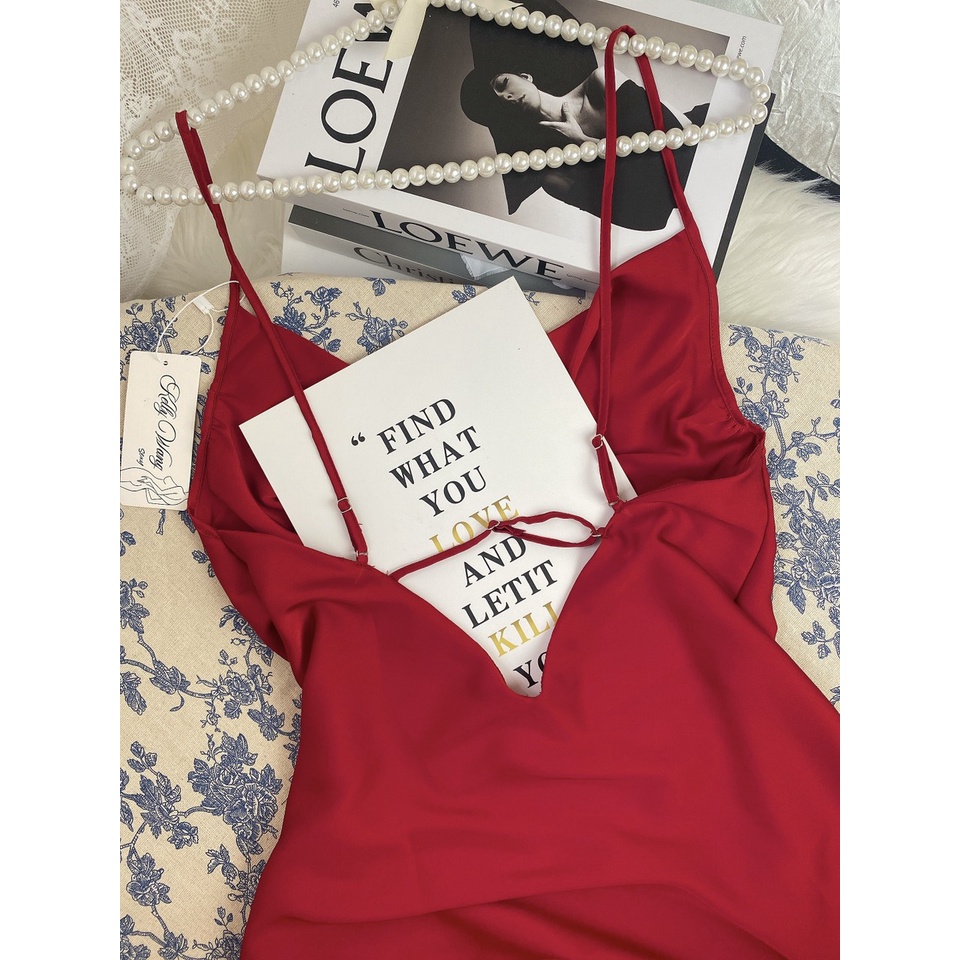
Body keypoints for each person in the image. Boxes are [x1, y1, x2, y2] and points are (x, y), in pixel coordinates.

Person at [461, 59, 709, 232]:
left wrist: (584, 141)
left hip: (706, 138)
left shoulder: (600, 82)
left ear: (524, 76)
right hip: (697, 198)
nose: (506, 97)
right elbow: (652, 218)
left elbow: (677, 140)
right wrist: (584, 144)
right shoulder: (554, 177)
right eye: (496, 104)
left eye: (503, 84)